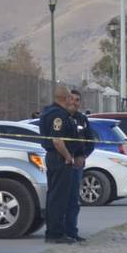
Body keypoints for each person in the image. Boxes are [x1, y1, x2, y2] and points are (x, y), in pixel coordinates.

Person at [39, 85, 78, 244]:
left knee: (56, 196)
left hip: (55, 158)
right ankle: (54, 233)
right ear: (66, 98)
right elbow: (57, 140)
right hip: (59, 159)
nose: (72, 101)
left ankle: (56, 231)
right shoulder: (58, 115)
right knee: (58, 197)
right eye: (70, 97)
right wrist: (68, 157)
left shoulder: (49, 112)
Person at [65, 90, 95, 243]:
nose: (74, 102)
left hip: (77, 165)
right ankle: (59, 232)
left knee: (74, 200)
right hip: (63, 164)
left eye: (77, 100)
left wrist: (83, 157)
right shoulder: (61, 117)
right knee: (61, 199)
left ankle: (72, 231)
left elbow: (90, 141)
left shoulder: (82, 119)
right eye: (72, 99)